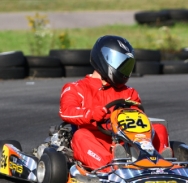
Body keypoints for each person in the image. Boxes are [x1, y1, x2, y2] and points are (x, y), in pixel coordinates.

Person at [59, 35, 171, 172]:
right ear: (104, 58)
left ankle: (160, 162)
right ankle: (112, 167)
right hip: (95, 141)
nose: (124, 71)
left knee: (159, 129)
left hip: (126, 143)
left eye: (127, 66)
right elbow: (66, 111)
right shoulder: (76, 88)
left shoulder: (129, 92)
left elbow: (139, 122)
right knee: (80, 135)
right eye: (121, 64)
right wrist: (91, 114)